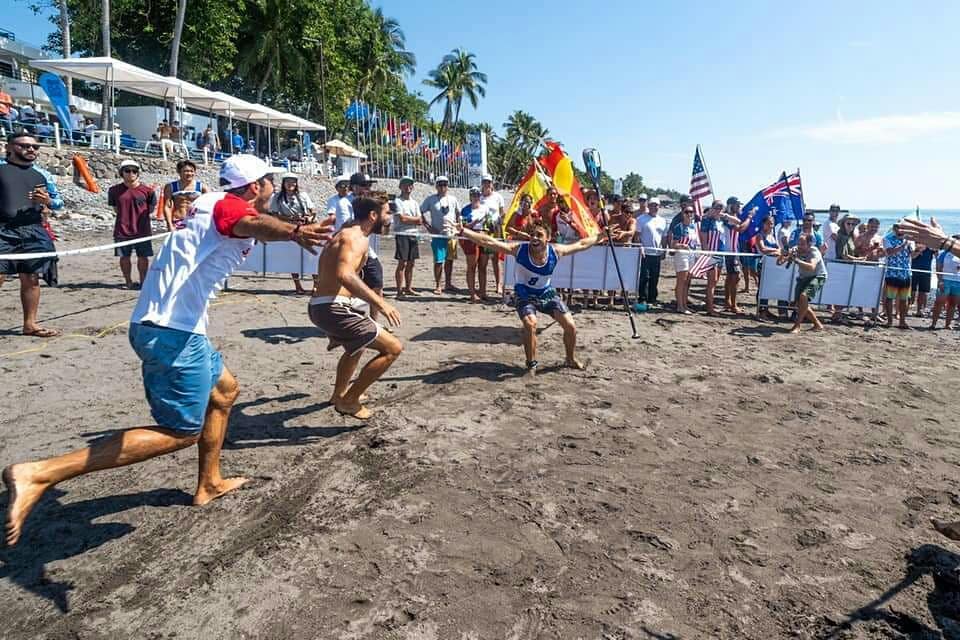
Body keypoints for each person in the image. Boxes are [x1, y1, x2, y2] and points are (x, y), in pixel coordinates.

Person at [2, 155, 335, 546]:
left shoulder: (209, 203)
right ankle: (40, 473)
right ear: (256, 185)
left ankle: (209, 483)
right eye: (270, 183)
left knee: (225, 392)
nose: (273, 190)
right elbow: (251, 223)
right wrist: (296, 232)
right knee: (180, 432)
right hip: (172, 333)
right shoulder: (231, 206)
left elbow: (247, 228)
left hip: (173, 327)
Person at [458, 219, 605, 374]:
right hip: (524, 294)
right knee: (530, 324)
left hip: (546, 293)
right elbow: (489, 242)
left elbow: (581, 245)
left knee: (570, 326)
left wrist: (600, 237)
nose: (534, 238)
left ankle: (570, 359)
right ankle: (531, 364)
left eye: (539, 235)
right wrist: (464, 231)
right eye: (532, 235)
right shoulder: (519, 250)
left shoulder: (556, 251)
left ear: (547, 238)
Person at [308, 196, 402, 420]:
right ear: (373, 215)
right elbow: (345, 275)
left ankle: (339, 394)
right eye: (387, 213)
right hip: (334, 308)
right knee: (393, 348)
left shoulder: (346, 231)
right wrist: (381, 303)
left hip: (323, 306)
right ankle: (349, 401)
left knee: (357, 346)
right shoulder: (356, 238)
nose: (389, 219)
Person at [0, 131, 64, 337]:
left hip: (33, 230)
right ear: (8, 147)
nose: (31, 150)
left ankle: (30, 324)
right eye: (25, 146)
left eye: (35, 147)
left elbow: (58, 203)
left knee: (31, 277)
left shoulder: (42, 174)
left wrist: (47, 201)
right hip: (3, 229)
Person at [108, 159, 157, 289]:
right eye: (127, 171)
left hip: (143, 230)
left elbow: (151, 209)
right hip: (122, 230)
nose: (131, 173)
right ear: (121, 173)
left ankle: (143, 281)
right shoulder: (114, 190)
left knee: (143, 257)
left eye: (134, 171)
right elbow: (115, 209)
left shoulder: (148, 191)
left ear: (138, 173)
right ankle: (128, 281)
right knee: (124, 257)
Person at [268, 173, 319, 294]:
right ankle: (298, 285)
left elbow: (313, 211)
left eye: (293, 182)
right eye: (288, 182)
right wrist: (290, 219)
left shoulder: (303, 195)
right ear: (283, 183)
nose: (290, 184)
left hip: (306, 228)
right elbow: (274, 214)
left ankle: (315, 285)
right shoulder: (277, 197)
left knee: (311, 257)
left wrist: (307, 217)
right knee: (293, 258)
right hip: (289, 229)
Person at [347, 173, 387, 318]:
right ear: (354, 187)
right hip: (354, 249)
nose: (368, 188)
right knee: (350, 287)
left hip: (370, 250)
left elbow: (382, 228)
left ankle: (374, 321)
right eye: (365, 185)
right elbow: (346, 225)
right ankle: (350, 320)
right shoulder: (345, 202)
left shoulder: (370, 202)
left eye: (369, 185)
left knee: (377, 285)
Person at [420, 175, 460, 295]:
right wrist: (428, 227)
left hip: (451, 234)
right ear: (436, 186)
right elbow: (420, 211)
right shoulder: (431, 199)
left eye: (445, 184)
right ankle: (438, 285)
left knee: (450, 260)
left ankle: (448, 283)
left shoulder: (453, 199)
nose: (443, 187)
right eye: (440, 184)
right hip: (437, 235)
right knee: (438, 261)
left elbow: (458, 213)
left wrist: (457, 226)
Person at [780, 233, 827, 333]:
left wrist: (796, 260)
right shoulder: (796, 249)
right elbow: (779, 263)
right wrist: (783, 254)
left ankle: (797, 326)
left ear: (809, 244)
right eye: (799, 243)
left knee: (803, 297)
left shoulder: (814, 251)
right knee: (800, 303)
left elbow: (811, 267)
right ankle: (817, 324)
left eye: (802, 244)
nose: (799, 246)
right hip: (803, 277)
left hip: (818, 276)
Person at [881, 223, 918, 329]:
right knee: (889, 298)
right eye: (899, 228)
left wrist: (919, 251)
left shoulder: (909, 240)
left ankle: (902, 321)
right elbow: (889, 252)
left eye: (903, 228)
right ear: (894, 229)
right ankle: (889, 321)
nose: (901, 230)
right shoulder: (887, 238)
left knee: (904, 299)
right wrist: (902, 245)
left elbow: (912, 255)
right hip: (892, 272)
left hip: (906, 273)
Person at [635, 196, 667, 310]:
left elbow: (664, 237)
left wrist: (664, 250)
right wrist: (641, 247)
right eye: (652, 205)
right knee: (644, 276)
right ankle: (642, 298)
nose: (654, 207)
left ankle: (652, 298)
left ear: (659, 206)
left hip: (657, 253)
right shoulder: (641, 219)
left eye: (656, 205)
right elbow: (637, 236)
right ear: (648, 206)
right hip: (645, 253)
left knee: (655, 277)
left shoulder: (663, 221)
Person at [392, 176, 421, 297]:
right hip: (402, 234)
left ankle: (408, 288)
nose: (407, 187)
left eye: (410, 184)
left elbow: (420, 221)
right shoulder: (396, 201)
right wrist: (413, 220)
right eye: (405, 184)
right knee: (402, 263)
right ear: (400, 186)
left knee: (411, 263)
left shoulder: (414, 202)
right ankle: (399, 290)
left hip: (413, 234)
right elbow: (402, 219)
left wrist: (411, 220)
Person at [478, 174, 505, 298]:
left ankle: (498, 284)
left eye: (488, 182)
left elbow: (502, 213)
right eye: (485, 182)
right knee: (482, 259)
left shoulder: (498, 197)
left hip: (495, 230)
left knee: (496, 259)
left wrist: (500, 221)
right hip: (483, 230)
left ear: (492, 183)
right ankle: (482, 286)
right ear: (482, 183)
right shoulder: (479, 197)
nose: (487, 184)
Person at [163, 159, 209, 231]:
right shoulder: (170, 187)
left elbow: (209, 206)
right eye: (186, 171)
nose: (189, 173)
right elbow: (167, 207)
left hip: (197, 221)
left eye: (192, 171)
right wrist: (169, 225)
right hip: (178, 220)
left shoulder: (202, 187)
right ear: (179, 172)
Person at [458, 187, 486, 302]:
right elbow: (463, 226)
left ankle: (483, 292)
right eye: (473, 195)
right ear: (470, 197)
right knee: (472, 266)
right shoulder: (465, 210)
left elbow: (488, 223)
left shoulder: (484, 208)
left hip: (483, 236)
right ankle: (472, 293)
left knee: (483, 266)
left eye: (477, 195)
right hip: (470, 237)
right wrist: (474, 222)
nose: (476, 197)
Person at [671, 205, 699, 315]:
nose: (689, 214)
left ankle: (685, 304)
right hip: (682, 254)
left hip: (691, 254)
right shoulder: (679, 227)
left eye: (691, 212)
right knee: (681, 280)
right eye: (687, 212)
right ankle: (680, 306)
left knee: (687, 280)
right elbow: (673, 244)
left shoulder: (693, 227)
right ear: (683, 213)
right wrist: (682, 245)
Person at [754, 215, 783, 321]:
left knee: (769, 288)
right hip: (763, 264)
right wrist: (775, 251)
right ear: (763, 224)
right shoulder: (760, 235)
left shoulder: (772, 235)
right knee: (762, 288)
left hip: (773, 265)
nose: (771, 225)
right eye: (768, 223)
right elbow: (762, 249)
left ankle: (766, 309)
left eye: (772, 223)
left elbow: (779, 248)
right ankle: (761, 311)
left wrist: (779, 251)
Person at [929, 236, 960, 330]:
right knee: (939, 302)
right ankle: (933, 323)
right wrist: (940, 280)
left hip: (958, 281)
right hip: (945, 280)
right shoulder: (944, 253)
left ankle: (947, 324)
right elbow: (938, 267)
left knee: (953, 303)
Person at [910, 241, 936, 318]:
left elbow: (938, 256)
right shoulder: (913, 244)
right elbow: (912, 256)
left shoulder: (930, 246)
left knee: (923, 292)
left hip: (926, 271)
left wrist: (935, 248)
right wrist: (919, 250)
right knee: (911, 290)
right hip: (913, 270)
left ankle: (919, 310)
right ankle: (906, 308)